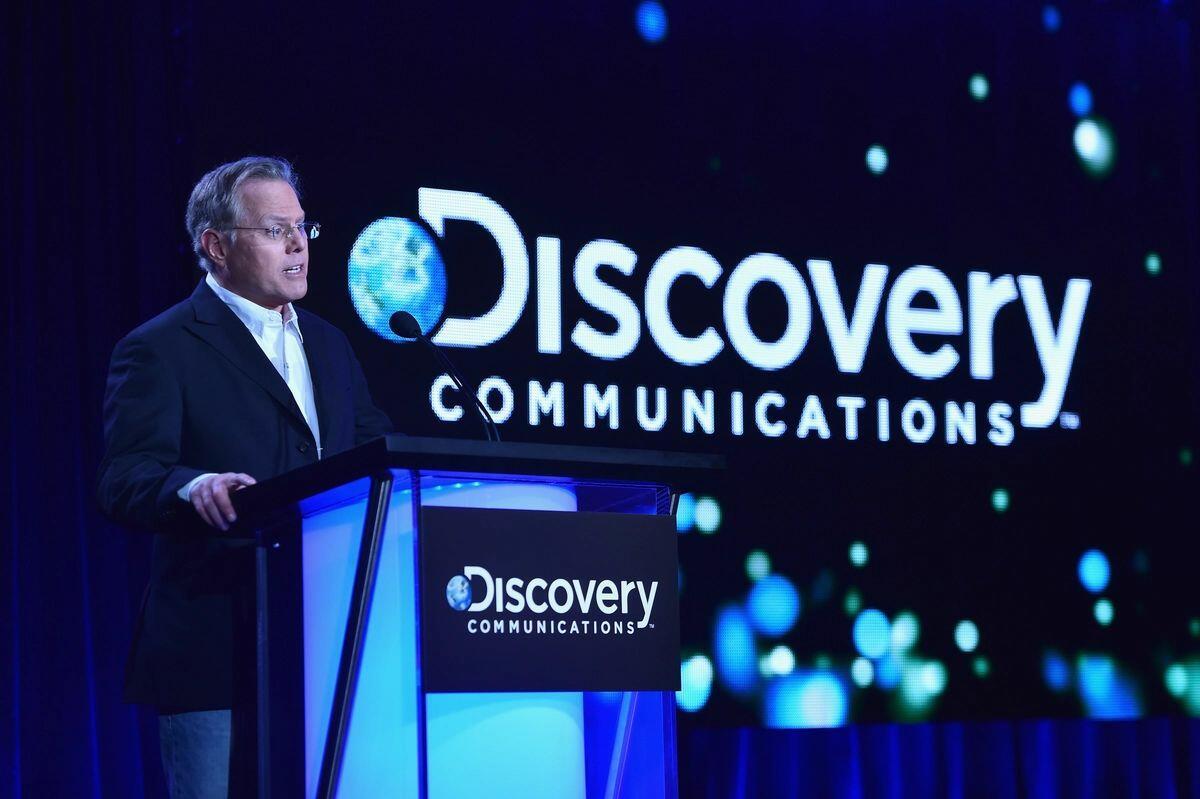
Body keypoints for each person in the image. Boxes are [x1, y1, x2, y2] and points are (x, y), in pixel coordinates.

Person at [96, 156, 392, 798]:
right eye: (275, 230)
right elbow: (125, 477)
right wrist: (190, 487)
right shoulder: (161, 347)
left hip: (328, 640)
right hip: (217, 646)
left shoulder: (330, 344)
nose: (297, 245)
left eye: (303, 228)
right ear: (216, 246)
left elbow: (373, 457)